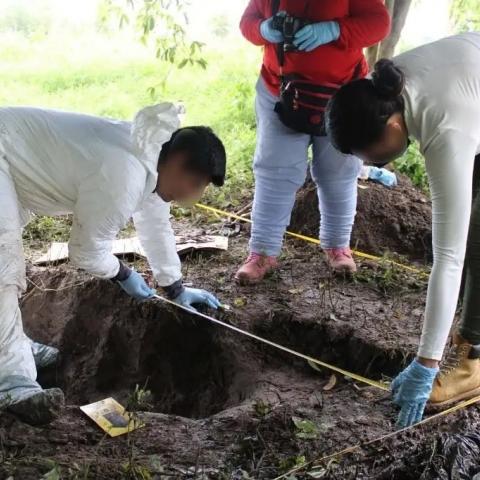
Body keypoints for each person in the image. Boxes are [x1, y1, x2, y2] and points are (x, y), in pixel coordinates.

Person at [0, 103, 226, 425]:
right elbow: (85, 251)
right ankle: (14, 384)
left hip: (13, 158)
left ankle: (11, 350)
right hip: (4, 152)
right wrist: (123, 274)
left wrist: (174, 287)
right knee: (4, 268)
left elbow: (155, 224)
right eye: (195, 184)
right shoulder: (124, 173)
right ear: (177, 163)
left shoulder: (150, 157)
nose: (193, 195)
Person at [326, 32, 480, 427]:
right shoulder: (388, 84)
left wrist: (426, 364)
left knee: (474, 242)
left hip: (465, 108)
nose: (368, 160)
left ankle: (474, 361)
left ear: (393, 125)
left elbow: (449, 257)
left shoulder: (444, 130)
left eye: (366, 152)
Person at [235, 0, 391, 284]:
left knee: (339, 171)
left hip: (343, 95)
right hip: (281, 92)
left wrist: (335, 30)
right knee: (275, 170)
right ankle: (262, 252)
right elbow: (247, 24)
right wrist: (264, 29)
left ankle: (337, 246)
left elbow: (379, 24)